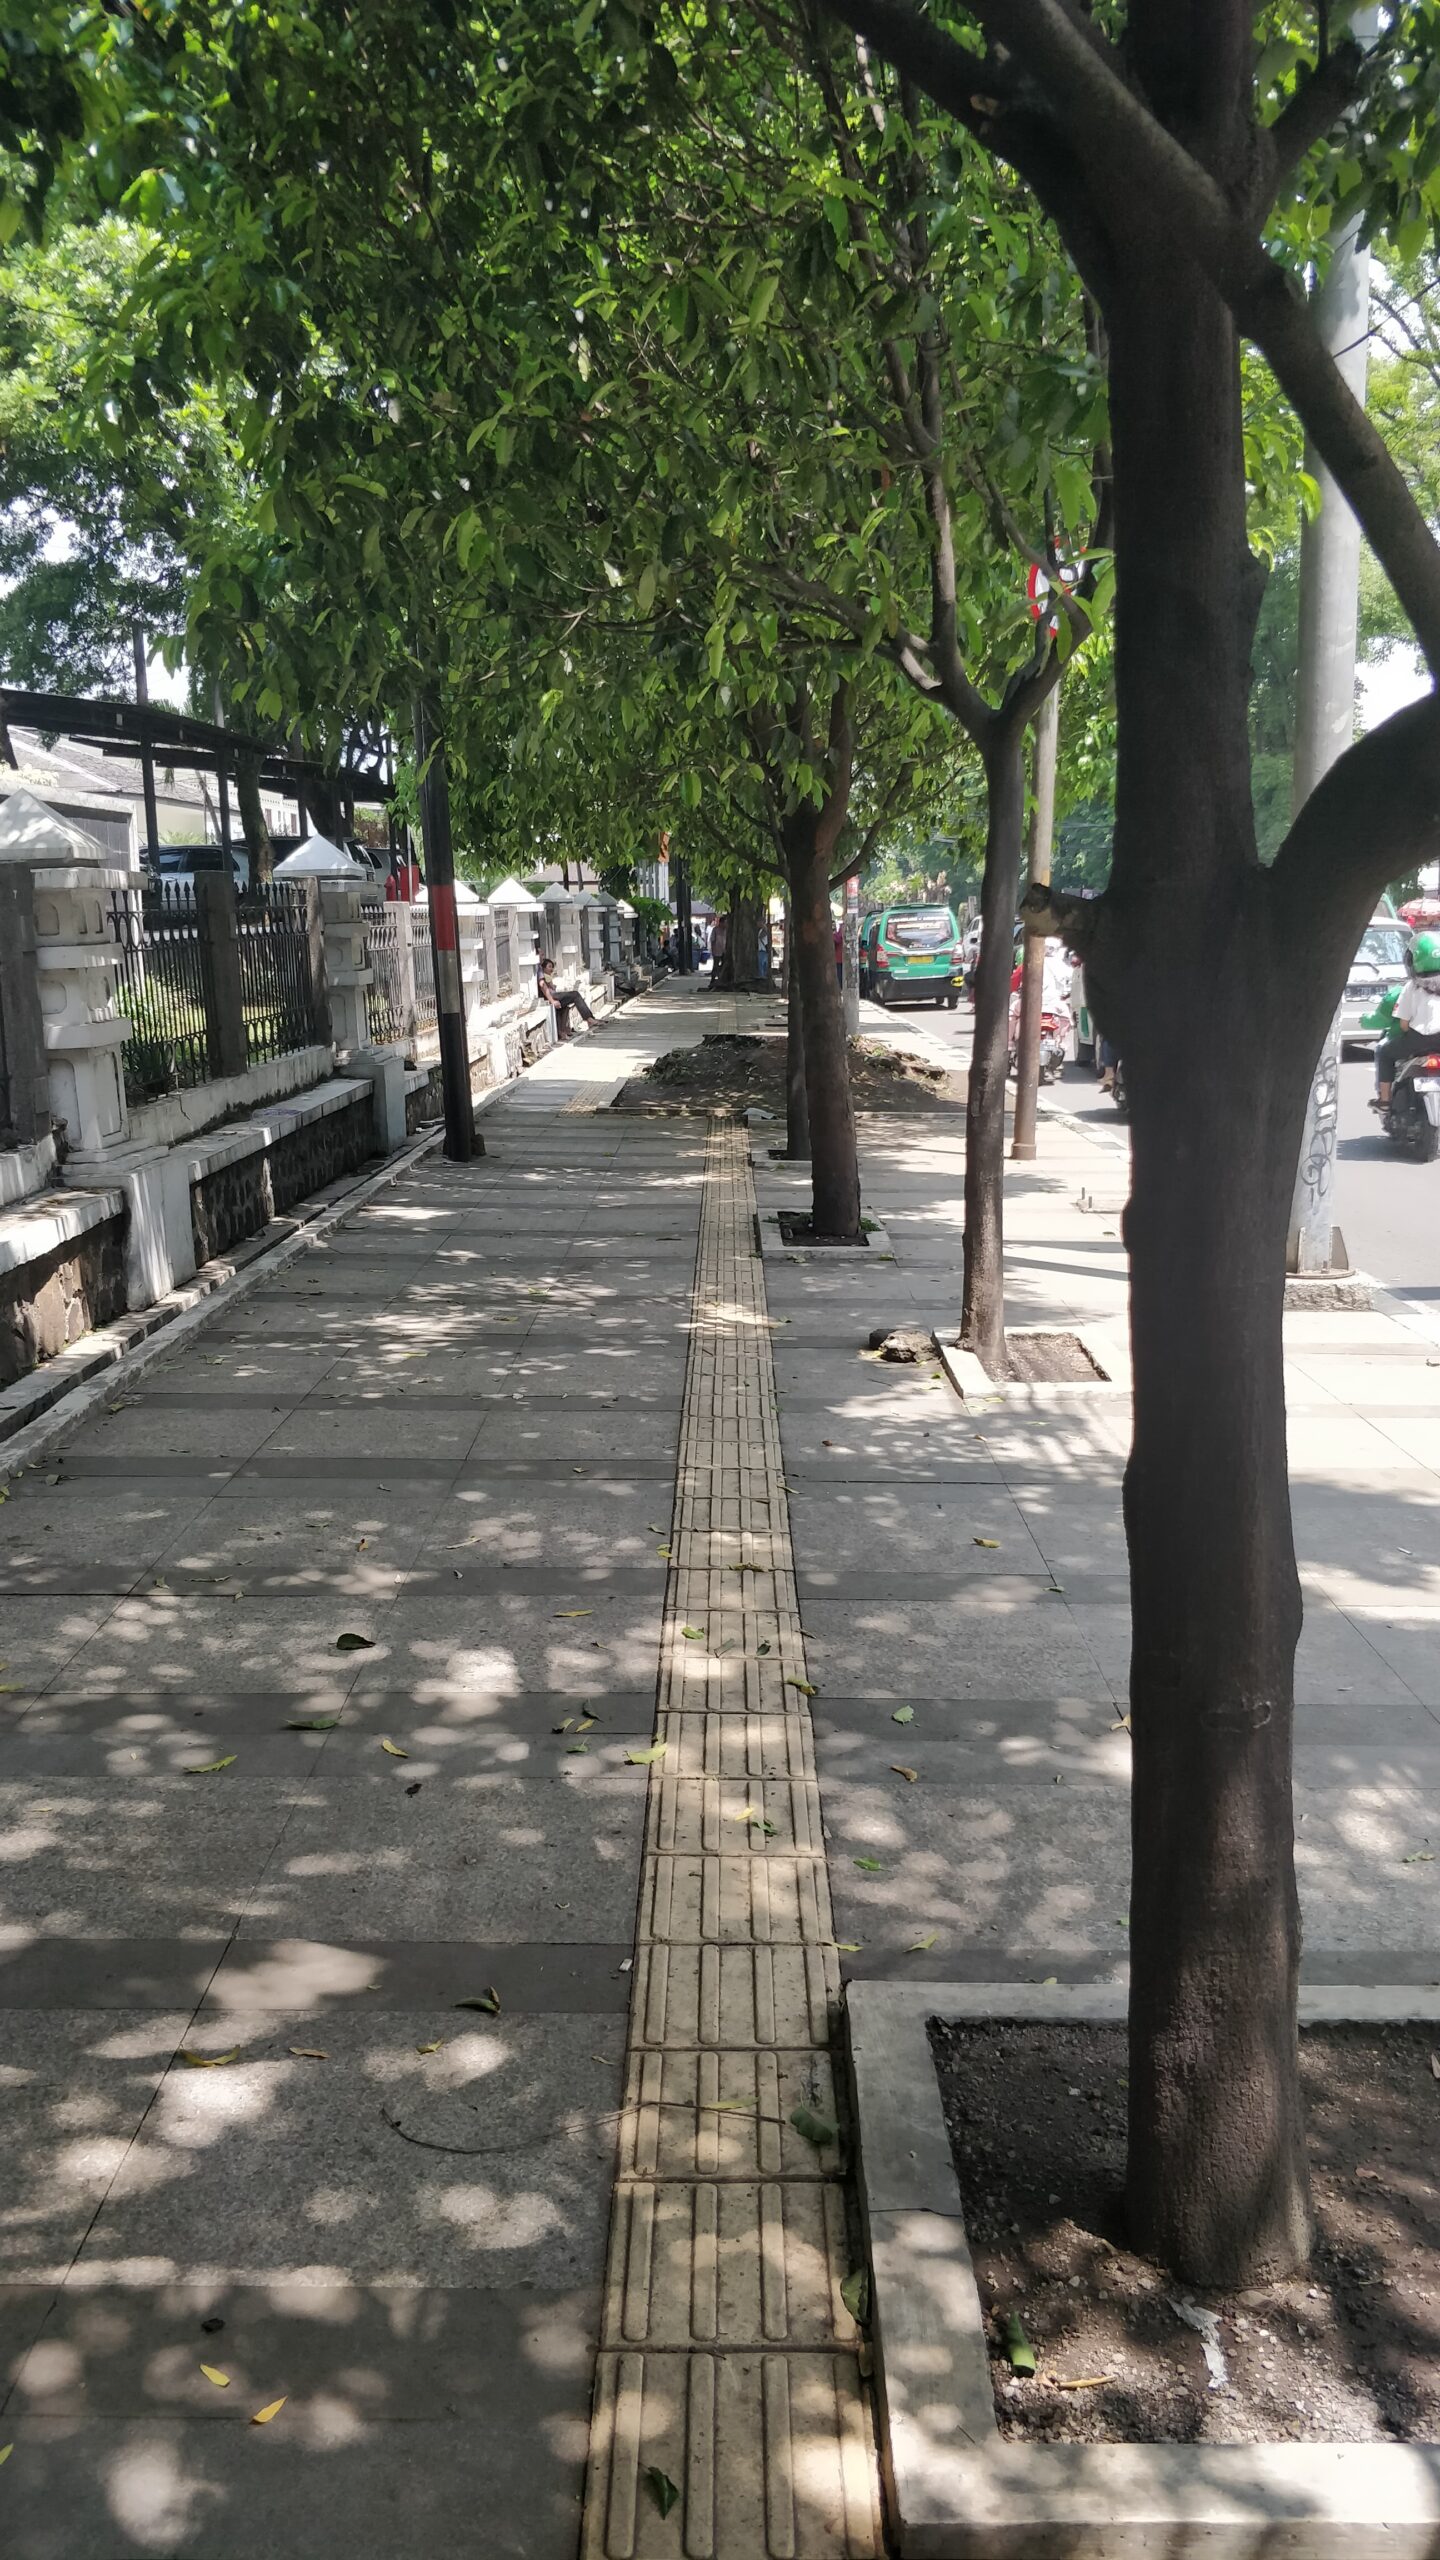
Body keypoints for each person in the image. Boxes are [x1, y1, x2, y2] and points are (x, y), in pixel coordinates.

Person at [1370, 930, 1440, 1106]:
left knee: (1384, 1052)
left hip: (1418, 1040)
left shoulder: (1411, 987)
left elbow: (1403, 1024)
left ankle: (1385, 1100)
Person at [537, 951, 596, 1038]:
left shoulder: (540, 969)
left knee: (564, 1007)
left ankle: (562, 1031)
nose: (543, 956)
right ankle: (589, 1018)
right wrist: (552, 1001)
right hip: (551, 995)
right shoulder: (539, 968)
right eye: (541, 954)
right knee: (575, 994)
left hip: (550, 995)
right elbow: (542, 984)